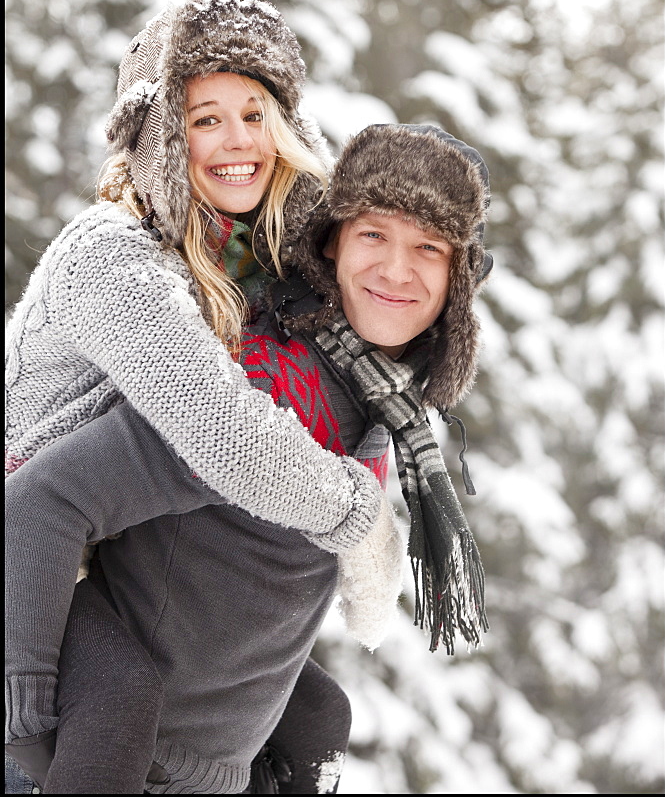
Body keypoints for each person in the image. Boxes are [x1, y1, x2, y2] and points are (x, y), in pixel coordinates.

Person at [7, 116, 493, 793]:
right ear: (331, 245)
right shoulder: (256, 384)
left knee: (322, 715)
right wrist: (24, 721)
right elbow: (43, 498)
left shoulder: (378, 398)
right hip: (97, 752)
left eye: (429, 248)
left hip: (204, 759)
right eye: (373, 234)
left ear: (460, 280)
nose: (394, 268)